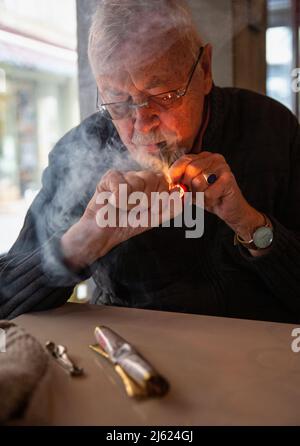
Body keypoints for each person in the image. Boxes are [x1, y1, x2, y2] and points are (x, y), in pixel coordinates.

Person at [1, 0, 300, 323]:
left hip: (257, 348)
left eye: (164, 95)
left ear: (204, 69)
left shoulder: (270, 129)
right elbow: (4, 298)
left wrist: (250, 224)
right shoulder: (80, 152)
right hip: (131, 350)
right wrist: (81, 244)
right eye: (119, 103)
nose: (143, 124)